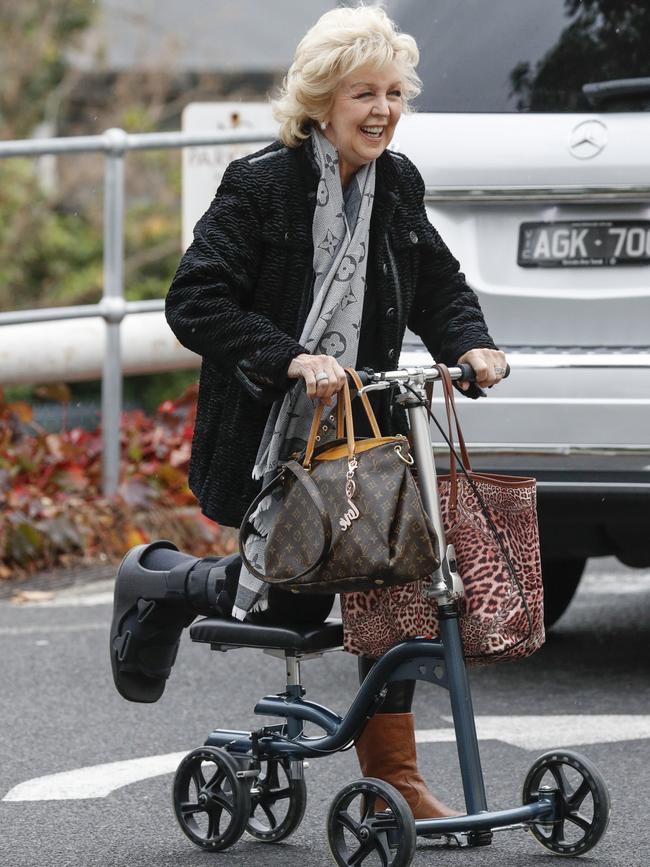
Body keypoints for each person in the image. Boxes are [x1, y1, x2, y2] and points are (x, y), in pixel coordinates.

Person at [110, 5, 507, 819]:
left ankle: (395, 781)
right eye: (365, 91)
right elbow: (195, 299)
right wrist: (288, 356)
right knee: (287, 602)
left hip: (371, 431)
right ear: (323, 98)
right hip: (274, 437)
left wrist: (473, 345)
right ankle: (161, 585)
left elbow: (437, 283)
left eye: (395, 92)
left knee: (397, 586)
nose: (383, 110)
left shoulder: (398, 183)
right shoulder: (262, 184)